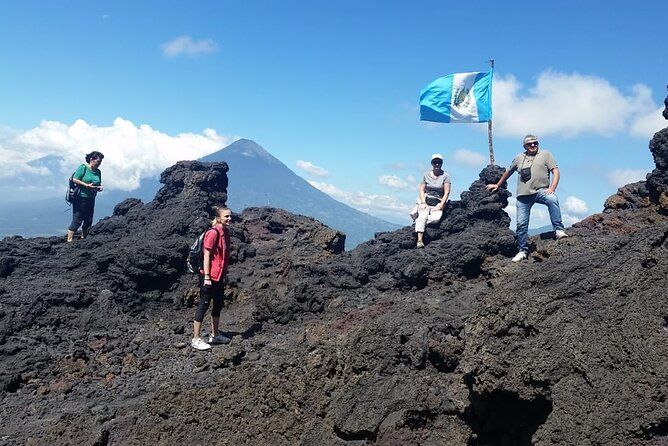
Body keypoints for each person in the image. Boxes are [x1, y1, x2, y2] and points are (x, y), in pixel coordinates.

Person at [486, 134, 568, 262]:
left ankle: (558, 230)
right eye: (530, 144)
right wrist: (497, 185)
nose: (533, 145)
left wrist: (552, 188)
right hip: (523, 196)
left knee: (552, 199)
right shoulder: (519, 157)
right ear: (525, 146)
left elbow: (555, 171)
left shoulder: (545, 154)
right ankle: (522, 250)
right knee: (521, 224)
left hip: (541, 191)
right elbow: (508, 172)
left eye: (535, 143)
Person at [192, 206, 233, 351]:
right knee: (203, 305)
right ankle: (196, 339)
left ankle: (215, 335)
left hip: (219, 277)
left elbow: (223, 257)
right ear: (218, 218)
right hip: (209, 276)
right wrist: (207, 276)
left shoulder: (225, 232)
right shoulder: (213, 233)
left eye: (230, 216)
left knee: (217, 304)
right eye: (226, 216)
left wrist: (224, 275)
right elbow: (207, 256)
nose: (229, 218)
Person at [410, 153, 451, 248]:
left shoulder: (445, 176)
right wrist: (423, 202)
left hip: (437, 202)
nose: (437, 164)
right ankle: (420, 240)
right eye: (435, 162)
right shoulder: (426, 175)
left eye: (439, 162)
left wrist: (442, 204)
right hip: (426, 200)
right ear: (432, 163)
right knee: (423, 215)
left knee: (435, 219)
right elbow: (421, 189)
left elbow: (447, 192)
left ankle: (418, 221)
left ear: (442, 163)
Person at [67, 151, 104, 242]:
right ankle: (69, 240)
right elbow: (75, 179)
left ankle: (84, 239)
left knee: (88, 219)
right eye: (98, 161)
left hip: (91, 197)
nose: (99, 164)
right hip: (80, 197)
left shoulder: (98, 171)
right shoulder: (83, 167)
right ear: (91, 159)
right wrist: (86, 185)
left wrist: (99, 187)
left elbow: (98, 183)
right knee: (77, 218)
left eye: (100, 162)